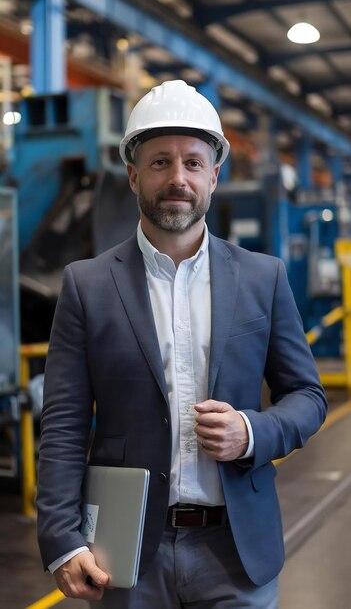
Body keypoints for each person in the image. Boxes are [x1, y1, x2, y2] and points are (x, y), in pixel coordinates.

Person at [37, 80, 327, 608]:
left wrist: (251, 431)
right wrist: (61, 539)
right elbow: (63, 423)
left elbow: (308, 397)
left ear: (214, 177)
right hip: (125, 554)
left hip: (237, 554)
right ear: (132, 175)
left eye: (194, 163)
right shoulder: (87, 285)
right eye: (160, 162)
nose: (178, 179)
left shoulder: (264, 278)